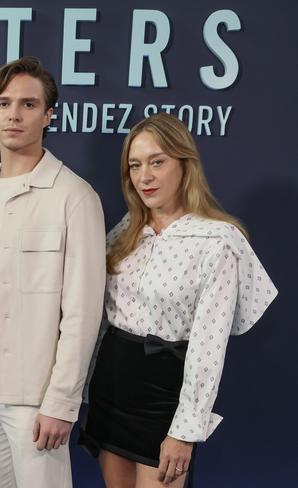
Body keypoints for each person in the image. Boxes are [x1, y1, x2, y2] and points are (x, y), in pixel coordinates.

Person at [81, 113, 278, 487]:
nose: (145, 177)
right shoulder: (127, 229)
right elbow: (103, 318)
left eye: (157, 162)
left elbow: (209, 345)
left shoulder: (220, 241)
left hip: (163, 401)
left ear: (185, 164)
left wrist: (185, 431)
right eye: (135, 166)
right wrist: (87, 392)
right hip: (110, 389)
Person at [0, 56, 106, 488]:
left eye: (27, 104)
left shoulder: (74, 197)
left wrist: (62, 400)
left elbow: (83, 312)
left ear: (48, 115)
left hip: (36, 389)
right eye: (3, 103)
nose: (14, 115)